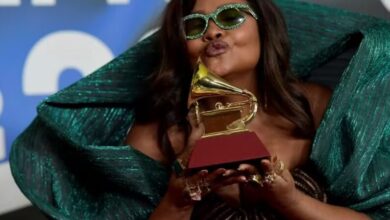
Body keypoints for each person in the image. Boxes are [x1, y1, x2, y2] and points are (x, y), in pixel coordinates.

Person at [10, 0, 390, 219]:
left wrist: (289, 198)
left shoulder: (314, 107)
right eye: (194, 25)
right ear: (182, 45)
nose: (212, 32)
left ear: (263, 28)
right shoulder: (157, 138)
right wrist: (180, 193)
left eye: (229, 17)